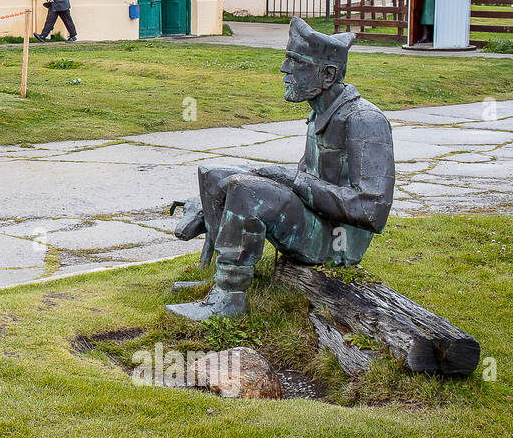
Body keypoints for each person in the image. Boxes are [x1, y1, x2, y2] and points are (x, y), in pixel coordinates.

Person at [167, 18, 394, 320]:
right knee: (216, 175)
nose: (284, 70)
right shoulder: (321, 113)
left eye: (295, 62)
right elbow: (308, 179)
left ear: (327, 74)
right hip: (316, 218)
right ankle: (213, 275)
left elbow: (371, 210)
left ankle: (229, 300)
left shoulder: (365, 120)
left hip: (336, 240)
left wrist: (289, 180)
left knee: (246, 190)